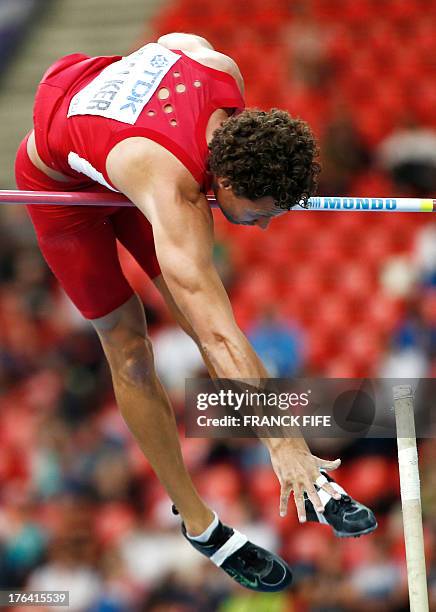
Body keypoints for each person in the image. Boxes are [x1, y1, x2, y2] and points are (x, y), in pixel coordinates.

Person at [15, 32, 376, 592]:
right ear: (223, 181)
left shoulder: (220, 71)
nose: (263, 225)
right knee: (132, 346)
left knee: (203, 318)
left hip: (119, 146)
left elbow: (168, 49)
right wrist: (281, 443)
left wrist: (288, 442)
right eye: (258, 214)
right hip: (64, 186)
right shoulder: (177, 191)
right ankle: (200, 523)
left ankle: (309, 473)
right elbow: (220, 338)